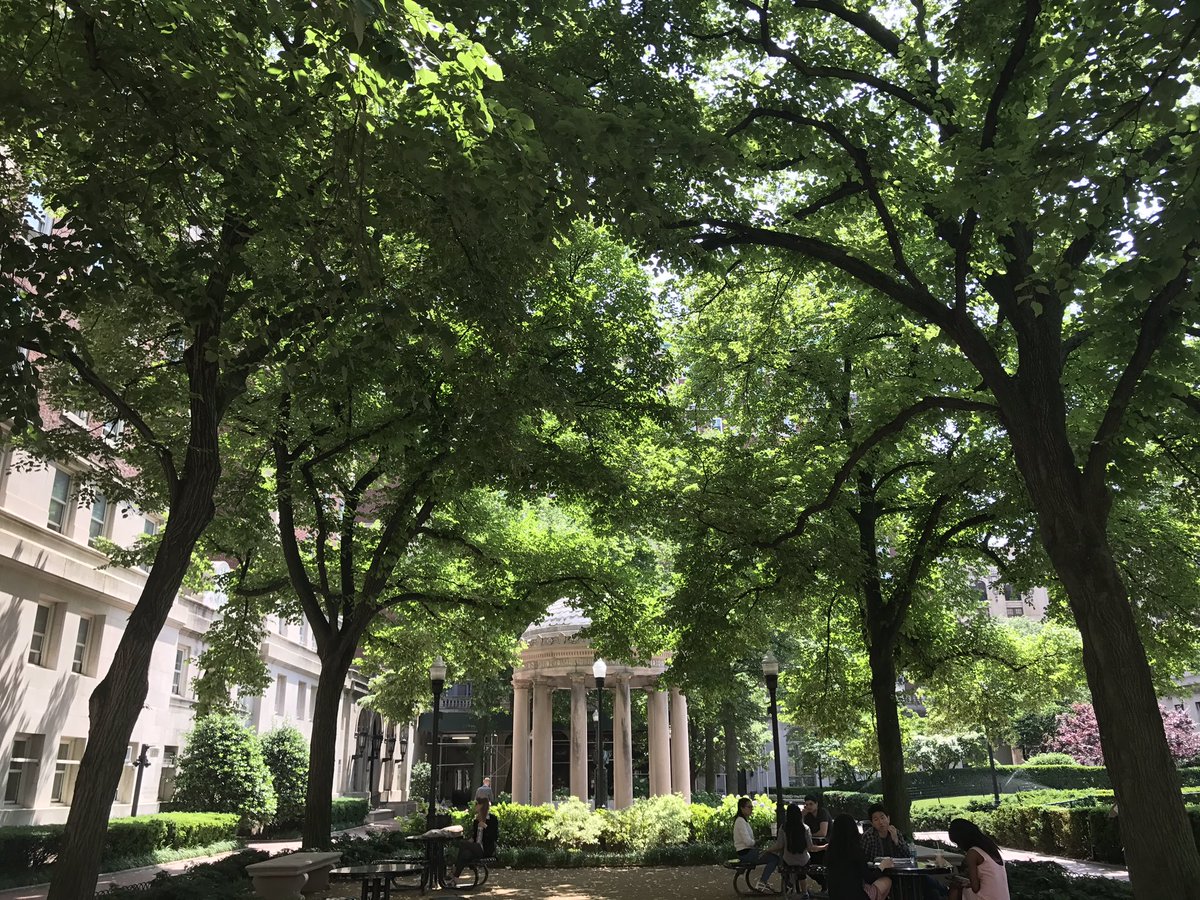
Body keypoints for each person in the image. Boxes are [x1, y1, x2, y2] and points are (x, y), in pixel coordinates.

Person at [756, 802, 820, 893]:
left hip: (788, 861)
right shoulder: (805, 828)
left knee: (784, 858)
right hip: (803, 861)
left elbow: (779, 845)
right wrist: (824, 847)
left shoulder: (783, 828)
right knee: (802, 871)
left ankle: (788, 883)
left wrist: (767, 850)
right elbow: (810, 847)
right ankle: (805, 892)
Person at [826, 813, 893, 900]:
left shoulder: (830, 852)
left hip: (835, 896)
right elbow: (869, 879)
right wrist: (882, 866)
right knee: (887, 881)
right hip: (857, 896)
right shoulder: (855, 851)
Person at [947, 819, 1010, 900]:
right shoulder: (991, 848)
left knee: (954, 890)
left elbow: (975, 888)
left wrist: (963, 883)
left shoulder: (973, 853)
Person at [450, 796, 498, 887]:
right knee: (465, 854)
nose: (475, 806)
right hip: (476, 847)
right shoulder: (476, 820)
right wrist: (470, 841)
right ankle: (455, 879)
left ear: (482, 805)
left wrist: (485, 826)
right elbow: (475, 837)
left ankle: (455, 868)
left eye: (477, 804)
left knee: (462, 844)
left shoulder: (493, 819)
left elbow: (494, 836)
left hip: (486, 849)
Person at [733, 796, 760, 868]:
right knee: (773, 858)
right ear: (742, 808)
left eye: (752, 807)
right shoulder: (740, 821)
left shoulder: (743, 821)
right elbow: (747, 842)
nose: (751, 809)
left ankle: (763, 879)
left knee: (771, 856)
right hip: (745, 853)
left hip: (746, 852)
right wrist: (756, 842)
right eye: (749, 807)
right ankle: (763, 879)